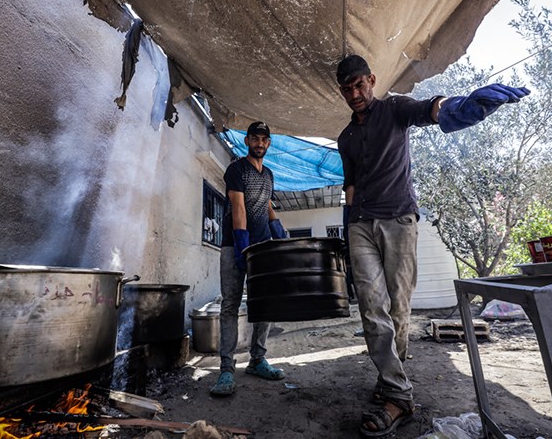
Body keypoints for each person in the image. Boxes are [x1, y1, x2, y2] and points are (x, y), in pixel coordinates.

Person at [335, 54, 530, 438]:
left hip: (399, 219)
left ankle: (391, 376)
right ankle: (398, 395)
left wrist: (461, 108)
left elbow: (432, 108)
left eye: (360, 84)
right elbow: (351, 186)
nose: (355, 93)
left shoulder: (394, 108)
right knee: (371, 307)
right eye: (347, 88)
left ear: (372, 80)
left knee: (398, 308)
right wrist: (347, 227)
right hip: (360, 224)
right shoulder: (345, 137)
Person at [210, 121, 289, 397]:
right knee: (230, 304)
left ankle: (257, 360)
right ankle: (226, 370)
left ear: (268, 144)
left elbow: (266, 205)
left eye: (264, 139)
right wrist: (243, 247)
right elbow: (239, 206)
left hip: (262, 246)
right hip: (235, 245)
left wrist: (280, 234)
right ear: (247, 141)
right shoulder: (236, 169)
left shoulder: (268, 174)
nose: (259, 143)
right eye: (254, 138)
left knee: (264, 304)